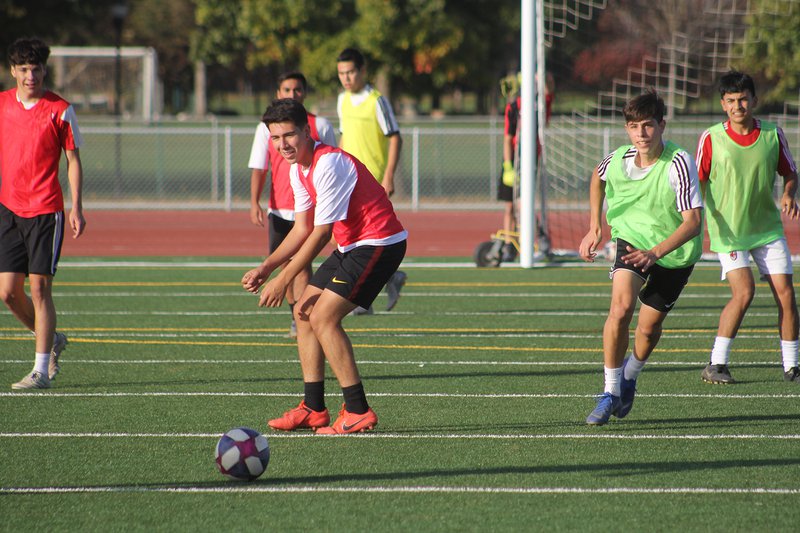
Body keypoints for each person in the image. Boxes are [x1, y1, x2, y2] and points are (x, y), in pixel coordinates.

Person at [241, 98, 407, 434]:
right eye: (275, 138)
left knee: (323, 317)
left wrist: (284, 277)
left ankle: (358, 410)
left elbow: (320, 234)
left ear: (306, 131)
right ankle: (314, 408)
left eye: (288, 135)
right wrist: (267, 268)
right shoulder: (296, 168)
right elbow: (301, 229)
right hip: (352, 246)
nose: (282, 144)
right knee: (303, 310)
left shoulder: (327, 162)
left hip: (379, 243)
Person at [579, 90, 703, 425]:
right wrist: (595, 227)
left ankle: (630, 375)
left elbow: (693, 222)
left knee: (648, 330)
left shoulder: (679, 162)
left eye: (648, 126)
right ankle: (609, 391)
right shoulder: (618, 159)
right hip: (631, 241)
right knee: (620, 309)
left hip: (673, 253)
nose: (641, 134)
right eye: (634, 127)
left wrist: (656, 252)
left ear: (662, 125)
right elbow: (597, 177)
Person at [696, 71, 800, 384]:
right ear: (723, 104)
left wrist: (787, 194)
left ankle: (792, 366)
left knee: (786, 295)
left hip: (767, 229)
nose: (738, 105)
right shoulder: (712, 137)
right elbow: (696, 181)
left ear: (754, 100)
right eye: (731, 101)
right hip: (729, 232)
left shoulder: (772, 134)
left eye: (743, 99)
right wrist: (694, 220)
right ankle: (716, 363)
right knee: (744, 292)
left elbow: (790, 172)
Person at [0, 37, 85, 390]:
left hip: (47, 210)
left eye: (36, 69)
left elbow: (73, 160)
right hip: (8, 209)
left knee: (39, 289)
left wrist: (76, 204)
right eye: (23, 69)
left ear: (44, 70)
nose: (30, 75)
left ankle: (40, 371)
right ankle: (49, 338)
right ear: (13, 71)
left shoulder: (61, 109)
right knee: (7, 291)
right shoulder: (2, 105)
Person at [248, 71, 336, 337]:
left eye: (297, 89)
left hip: (315, 212)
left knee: (302, 266)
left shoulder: (320, 129)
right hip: (281, 208)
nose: (292, 94)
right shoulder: (269, 128)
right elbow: (259, 166)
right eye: (287, 89)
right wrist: (254, 201)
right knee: (288, 264)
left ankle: (304, 319)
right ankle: (298, 318)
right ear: (278, 93)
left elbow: (330, 165)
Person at [336, 47, 406, 313]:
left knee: (366, 238)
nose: (346, 78)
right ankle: (389, 278)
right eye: (342, 73)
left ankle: (361, 298)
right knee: (343, 235)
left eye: (351, 72)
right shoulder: (342, 100)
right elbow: (344, 137)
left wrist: (388, 174)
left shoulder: (377, 101)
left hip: (371, 180)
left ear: (363, 71)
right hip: (346, 180)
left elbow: (395, 136)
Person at [498, 73, 554, 261]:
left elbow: (549, 90)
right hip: (513, 160)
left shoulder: (539, 105)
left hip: (530, 160)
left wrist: (540, 75)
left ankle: (539, 236)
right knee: (510, 207)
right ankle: (508, 245)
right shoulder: (513, 107)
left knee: (524, 205)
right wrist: (508, 166)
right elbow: (507, 137)